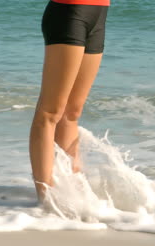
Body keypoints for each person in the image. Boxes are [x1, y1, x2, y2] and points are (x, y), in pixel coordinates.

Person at [30, 0, 110, 201]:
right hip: (69, 12)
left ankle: (73, 192)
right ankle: (46, 199)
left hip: (99, 13)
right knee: (50, 112)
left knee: (72, 112)